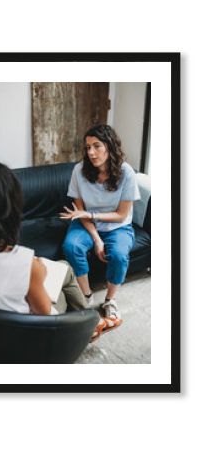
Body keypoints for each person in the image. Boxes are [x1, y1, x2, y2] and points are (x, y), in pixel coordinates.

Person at [0, 159, 91, 319]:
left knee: (64, 267)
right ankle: (88, 323)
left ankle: (90, 322)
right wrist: (40, 276)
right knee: (63, 291)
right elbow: (44, 315)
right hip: (23, 336)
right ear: (11, 210)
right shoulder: (27, 265)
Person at [61, 124, 140, 337]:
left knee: (119, 255)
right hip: (86, 223)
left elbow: (122, 215)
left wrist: (93, 218)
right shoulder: (79, 170)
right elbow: (80, 211)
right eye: (88, 147)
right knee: (72, 246)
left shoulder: (126, 173)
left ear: (110, 146)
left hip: (117, 226)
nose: (91, 152)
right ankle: (86, 298)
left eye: (97, 146)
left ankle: (109, 301)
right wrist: (96, 239)